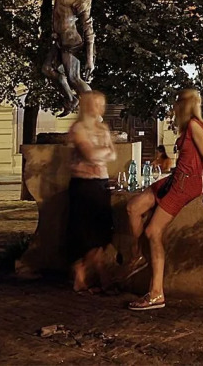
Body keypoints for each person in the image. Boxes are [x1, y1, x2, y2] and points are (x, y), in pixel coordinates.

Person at [123, 88, 203, 310]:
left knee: (152, 231)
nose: (174, 107)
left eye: (177, 103)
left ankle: (156, 293)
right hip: (175, 179)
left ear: (184, 105)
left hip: (185, 185)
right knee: (133, 207)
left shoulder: (195, 126)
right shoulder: (187, 127)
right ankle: (138, 255)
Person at [66, 91, 117, 291]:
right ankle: (97, 275)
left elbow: (112, 154)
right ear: (87, 105)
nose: (101, 108)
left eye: (102, 104)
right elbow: (90, 154)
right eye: (97, 104)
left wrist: (100, 153)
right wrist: (103, 152)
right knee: (85, 232)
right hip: (83, 184)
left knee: (102, 231)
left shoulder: (103, 128)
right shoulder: (78, 128)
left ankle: (83, 272)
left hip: (101, 183)